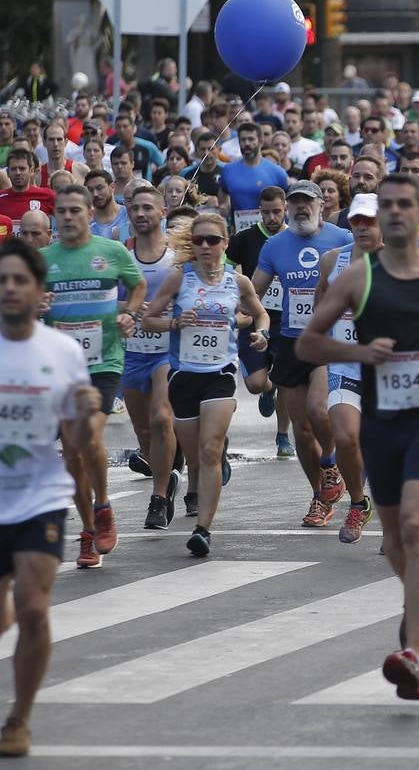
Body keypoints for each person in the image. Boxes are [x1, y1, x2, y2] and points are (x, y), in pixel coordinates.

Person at [298, 173, 419, 701]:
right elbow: (309, 343)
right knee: (392, 541)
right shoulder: (356, 280)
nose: (397, 213)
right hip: (381, 421)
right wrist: (359, 354)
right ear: (379, 215)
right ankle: (418, 614)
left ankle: (412, 650)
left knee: (414, 527)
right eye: (388, 206)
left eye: (407, 204)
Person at [0, 239, 101, 758]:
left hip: (39, 496)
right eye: (3, 280)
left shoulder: (60, 351)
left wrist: (86, 414)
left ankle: (18, 718)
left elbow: (78, 443)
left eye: (21, 280)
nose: (11, 289)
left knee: (34, 608)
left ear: (40, 292)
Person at [142, 214, 268, 555]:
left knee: (209, 450)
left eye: (213, 240)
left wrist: (262, 334)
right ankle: (193, 475)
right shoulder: (178, 279)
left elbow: (260, 312)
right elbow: (149, 319)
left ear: (226, 243)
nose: (206, 246)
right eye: (199, 241)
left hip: (220, 374)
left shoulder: (237, 281)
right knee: (197, 455)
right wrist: (173, 322)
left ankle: (203, 529)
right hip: (184, 376)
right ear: (192, 246)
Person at [42, 185, 146, 567]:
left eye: (75, 210)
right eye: (62, 211)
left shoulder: (112, 252)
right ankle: (88, 529)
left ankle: (104, 506)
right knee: (71, 453)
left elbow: (138, 285)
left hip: (104, 362)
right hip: (61, 368)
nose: (67, 217)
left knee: (87, 435)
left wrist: (130, 314)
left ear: (90, 213)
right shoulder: (43, 259)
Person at [251, 179, 353, 527]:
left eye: (306, 202)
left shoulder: (342, 240)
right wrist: (256, 326)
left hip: (328, 340)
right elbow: (253, 292)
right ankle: (320, 497)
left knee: (318, 409)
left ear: (321, 204)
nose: (300, 208)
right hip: (290, 341)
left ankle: (331, 464)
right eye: (294, 202)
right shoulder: (275, 245)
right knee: (300, 429)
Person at [312, 193, 381, 544]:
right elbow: (320, 298)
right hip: (345, 366)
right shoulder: (331, 261)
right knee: (345, 436)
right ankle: (359, 502)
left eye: (370, 220)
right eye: (356, 221)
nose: (362, 227)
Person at [119, 185, 181, 529]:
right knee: (144, 431)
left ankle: (158, 499)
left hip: (167, 352)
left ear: (163, 213)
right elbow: (106, 301)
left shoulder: (177, 258)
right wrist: (127, 307)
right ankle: (168, 473)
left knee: (160, 418)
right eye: (135, 208)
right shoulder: (121, 256)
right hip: (132, 352)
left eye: (147, 208)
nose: (140, 214)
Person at [227, 186, 294, 459]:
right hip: (253, 318)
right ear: (258, 211)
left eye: (277, 211)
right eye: (265, 213)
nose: (271, 218)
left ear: (285, 209)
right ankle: (269, 389)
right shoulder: (244, 238)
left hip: (287, 322)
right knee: (256, 383)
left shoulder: (296, 238)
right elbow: (224, 271)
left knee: (288, 381)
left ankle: (282, 436)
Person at [219, 122, 290, 234]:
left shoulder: (278, 172)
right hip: (240, 235)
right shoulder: (228, 171)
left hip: (271, 234)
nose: (247, 143)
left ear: (260, 141)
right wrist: (224, 206)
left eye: (251, 139)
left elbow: (288, 204)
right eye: (243, 140)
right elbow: (223, 197)